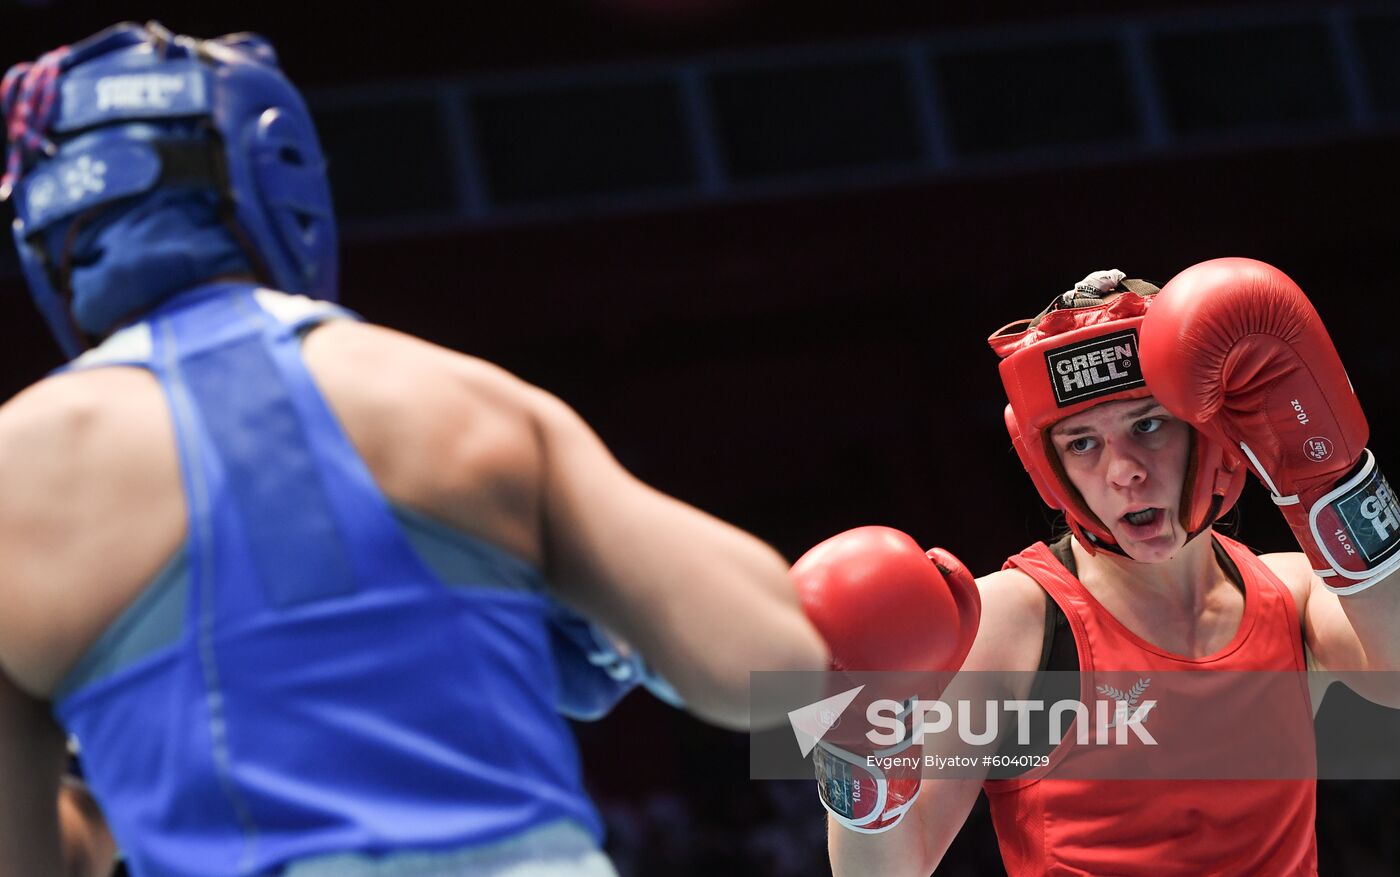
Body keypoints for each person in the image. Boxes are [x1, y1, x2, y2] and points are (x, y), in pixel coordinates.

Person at [0, 22, 829, 877]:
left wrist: (128, 763)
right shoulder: (453, 399)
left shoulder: (14, 482)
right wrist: (612, 616)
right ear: (271, 169)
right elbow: (772, 667)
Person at [793, 263, 1400, 874]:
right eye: (1082, 443)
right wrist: (854, 745)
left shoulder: (1289, 593)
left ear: (1210, 434)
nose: (1123, 471)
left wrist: (1332, 478)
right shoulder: (1012, 622)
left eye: (1148, 424)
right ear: (1048, 467)